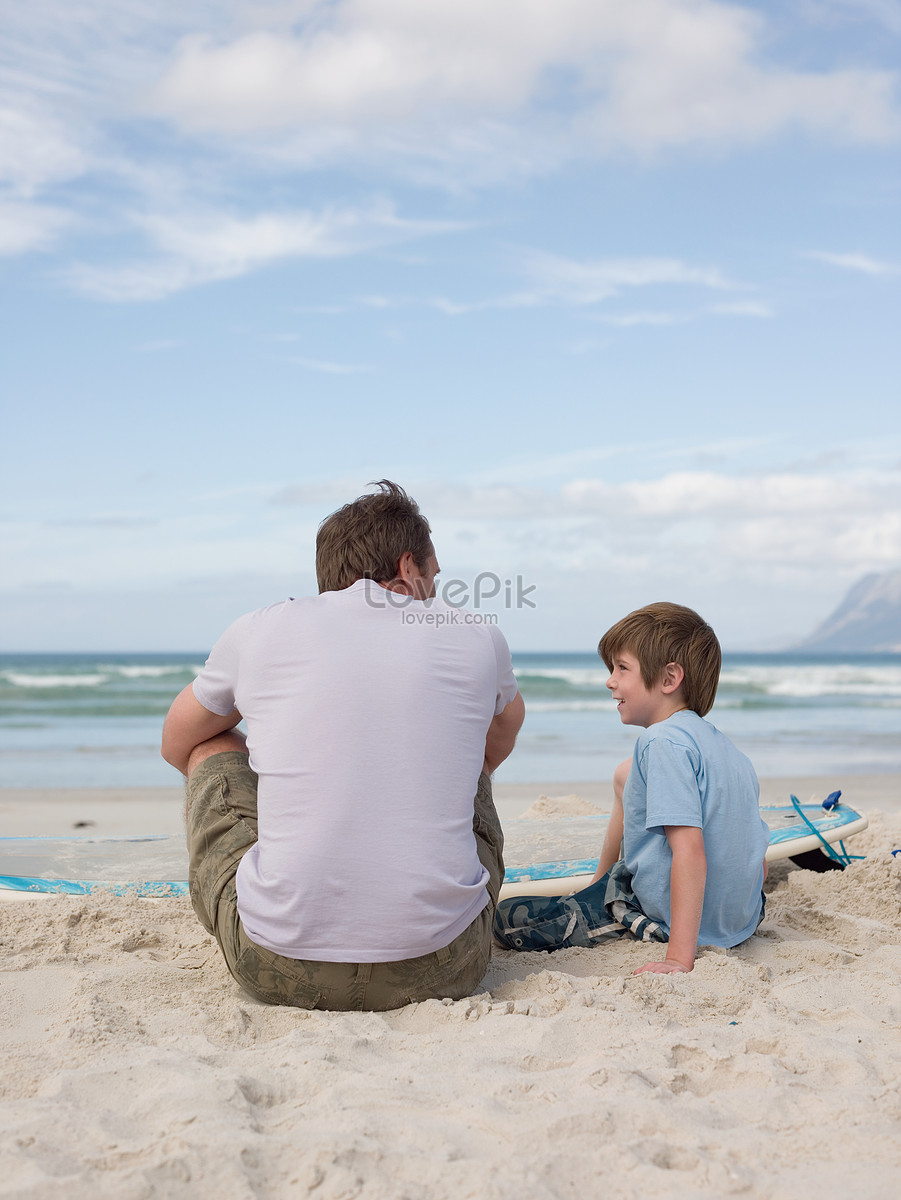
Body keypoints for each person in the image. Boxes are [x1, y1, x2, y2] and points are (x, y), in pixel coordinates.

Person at [162, 480, 525, 1011]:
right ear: (408, 568)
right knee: (465, 758)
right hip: (448, 964)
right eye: (434, 576)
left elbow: (179, 744)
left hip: (273, 965)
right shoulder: (476, 633)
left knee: (207, 748)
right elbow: (500, 738)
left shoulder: (259, 629)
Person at [494, 602, 768, 974]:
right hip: (742, 918)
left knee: (507, 920)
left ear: (669, 679)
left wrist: (678, 958)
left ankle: (603, 897)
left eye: (622, 668)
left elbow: (690, 853)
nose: (610, 681)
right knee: (626, 776)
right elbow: (756, 853)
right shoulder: (730, 753)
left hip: (679, 922)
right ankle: (596, 884)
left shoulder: (660, 743)